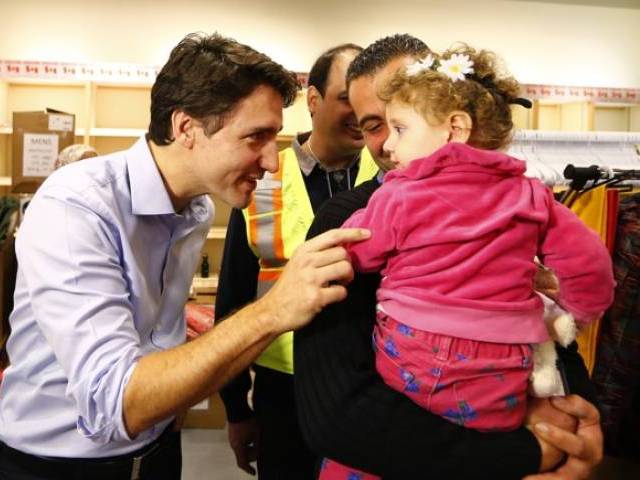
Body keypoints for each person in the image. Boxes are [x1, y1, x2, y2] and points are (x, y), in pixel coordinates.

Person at [0, 33, 369, 480]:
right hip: (59, 467)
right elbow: (117, 401)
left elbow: (157, 344)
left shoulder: (195, 208)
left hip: (157, 455)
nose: (273, 162)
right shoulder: (77, 206)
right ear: (186, 128)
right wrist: (274, 309)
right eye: (256, 137)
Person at [294, 34, 606, 479]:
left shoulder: (518, 205)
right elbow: (338, 415)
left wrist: (580, 424)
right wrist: (532, 454)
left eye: (399, 122)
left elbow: (561, 354)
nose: (386, 144)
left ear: (451, 118)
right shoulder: (345, 218)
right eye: (372, 124)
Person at [217, 42, 378, 479]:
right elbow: (233, 296)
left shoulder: (390, 180)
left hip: (371, 388)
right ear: (313, 99)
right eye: (347, 97)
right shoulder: (263, 177)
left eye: (371, 103)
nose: (361, 115)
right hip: (281, 393)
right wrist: (236, 408)